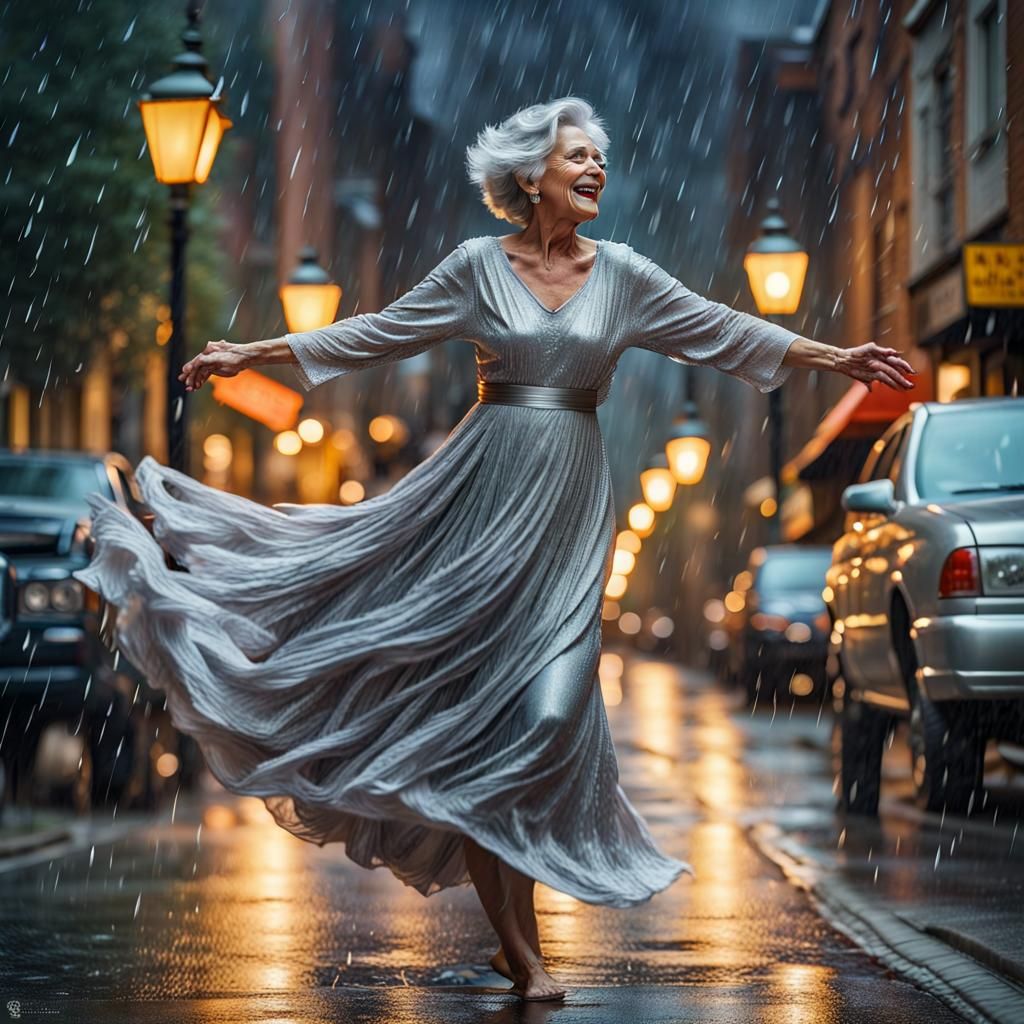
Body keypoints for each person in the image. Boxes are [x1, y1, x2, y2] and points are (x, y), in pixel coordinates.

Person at [74, 97, 915, 1003]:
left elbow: (723, 329)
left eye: (602, 158)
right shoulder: (480, 268)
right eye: (578, 157)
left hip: (569, 514)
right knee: (486, 725)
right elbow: (374, 332)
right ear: (530, 176)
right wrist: (254, 352)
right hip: (478, 505)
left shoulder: (623, 275)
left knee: (550, 718)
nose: (596, 170)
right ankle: (525, 949)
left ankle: (521, 934)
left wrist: (838, 359)